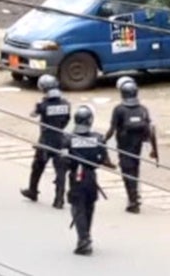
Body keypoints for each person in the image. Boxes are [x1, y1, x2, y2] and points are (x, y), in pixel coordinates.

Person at [65, 105, 114, 256]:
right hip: (91, 177)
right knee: (89, 207)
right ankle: (86, 235)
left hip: (77, 177)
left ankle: (83, 240)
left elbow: (63, 160)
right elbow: (103, 160)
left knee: (77, 208)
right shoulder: (98, 138)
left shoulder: (68, 139)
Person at [105, 77, 159, 214]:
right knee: (134, 169)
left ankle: (133, 200)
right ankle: (135, 196)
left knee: (127, 171)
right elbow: (150, 130)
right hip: (137, 146)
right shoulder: (143, 109)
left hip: (124, 146)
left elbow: (112, 129)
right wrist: (153, 150)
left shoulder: (119, 109)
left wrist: (102, 140)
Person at [21, 74, 71, 209]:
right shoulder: (66, 104)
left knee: (37, 166)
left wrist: (38, 106)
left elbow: (33, 114)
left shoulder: (42, 105)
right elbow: (66, 120)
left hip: (45, 140)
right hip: (61, 140)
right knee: (60, 171)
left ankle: (33, 190)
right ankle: (59, 199)